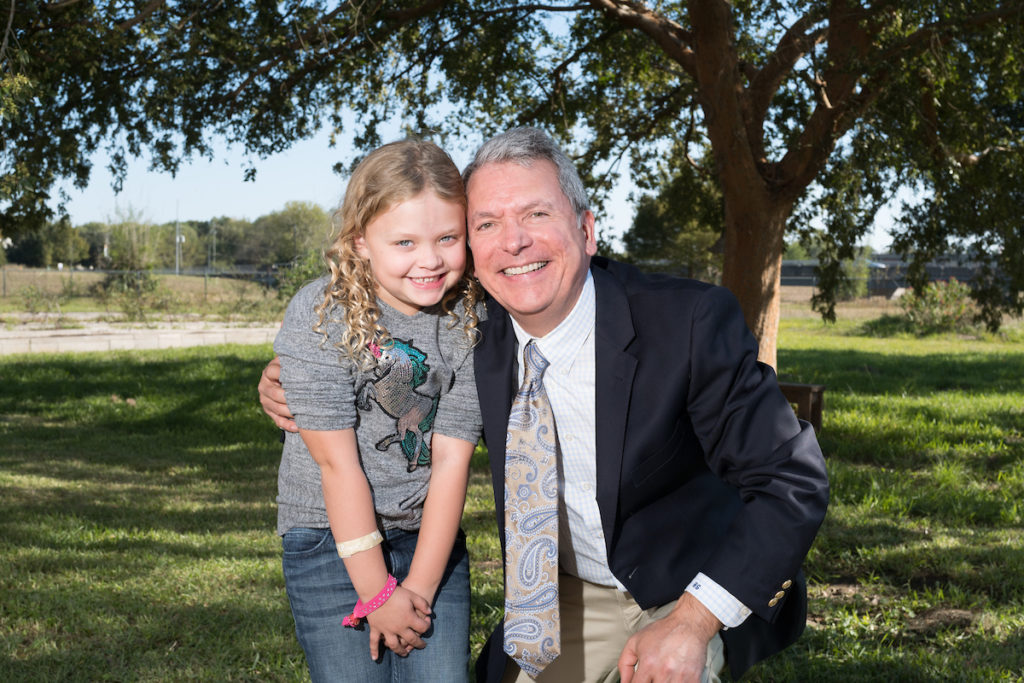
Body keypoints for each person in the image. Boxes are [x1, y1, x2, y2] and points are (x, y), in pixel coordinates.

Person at [261, 127, 829, 683]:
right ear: (474, 250)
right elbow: (370, 369)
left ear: (586, 230)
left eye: (536, 214)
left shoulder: (686, 323)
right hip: (569, 596)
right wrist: (284, 383)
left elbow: (792, 481)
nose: (514, 241)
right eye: (487, 224)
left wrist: (692, 621)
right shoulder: (474, 334)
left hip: (689, 587)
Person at [271, 138, 483, 683]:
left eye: (447, 238)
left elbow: (452, 461)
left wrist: (416, 590)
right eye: (404, 241)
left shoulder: (472, 322)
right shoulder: (322, 314)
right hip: (324, 534)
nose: (430, 259)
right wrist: (377, 592)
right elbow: (335, 464)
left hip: (426, 535)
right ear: (360, 241)